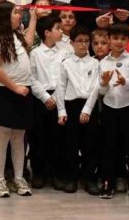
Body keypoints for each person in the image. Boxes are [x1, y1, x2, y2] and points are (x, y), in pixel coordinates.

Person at [0, 2, 33, 198]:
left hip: (23, 90)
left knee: (19, 137)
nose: (19, 15)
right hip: (4, 92)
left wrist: (34, 17)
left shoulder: (17, 35)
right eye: (15, 12)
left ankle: (19, 177)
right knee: (2, 136)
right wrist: (15, 87)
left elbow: (29, 41)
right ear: (5, 17)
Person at [93, 23, 129, 200]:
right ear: (108, 40)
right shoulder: (103, 62)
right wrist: (104, 83)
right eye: (115, 38)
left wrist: (125, 82)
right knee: (108, 146)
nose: (119, 42)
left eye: (123, 39)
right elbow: (100, 91)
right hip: (109, 108)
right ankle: (108, 182)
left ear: (128, 40)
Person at [56, 26, 100, 195]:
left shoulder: (95, 63)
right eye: (79, 41)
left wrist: (87, 109)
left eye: (86, 41)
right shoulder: (66, 63)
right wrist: (61, 111)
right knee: (71, 143)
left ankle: (89, 178)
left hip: (89, 105)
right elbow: (61, 87)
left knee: (90, 143)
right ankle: (71, 177)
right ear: (72, 43)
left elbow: (96, 87)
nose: (83, 44)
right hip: (71, 105)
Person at [29, 15, 68, 189]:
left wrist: (57, 96)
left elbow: (65, 77)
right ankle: (39, 172)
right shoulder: (35, 53)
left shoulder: (65, 51)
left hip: (60, 96)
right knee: (39, 136)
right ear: (47, 33)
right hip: (40, 98)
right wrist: (45, 97)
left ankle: (57, 173)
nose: (61, 31)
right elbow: (31, 78)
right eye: (57, 28)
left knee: (58, 137)